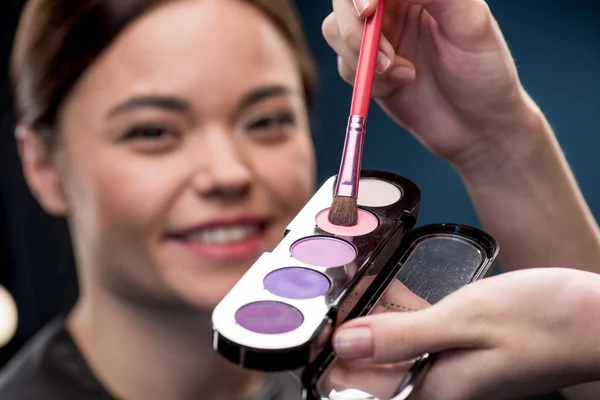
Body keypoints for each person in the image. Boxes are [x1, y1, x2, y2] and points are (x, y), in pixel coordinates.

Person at [0, 0, 597, 399]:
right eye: (153, 131)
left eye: (265, 121)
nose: (229, 172)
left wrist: (496, 138)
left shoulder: (387, 372)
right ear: (42, 164)